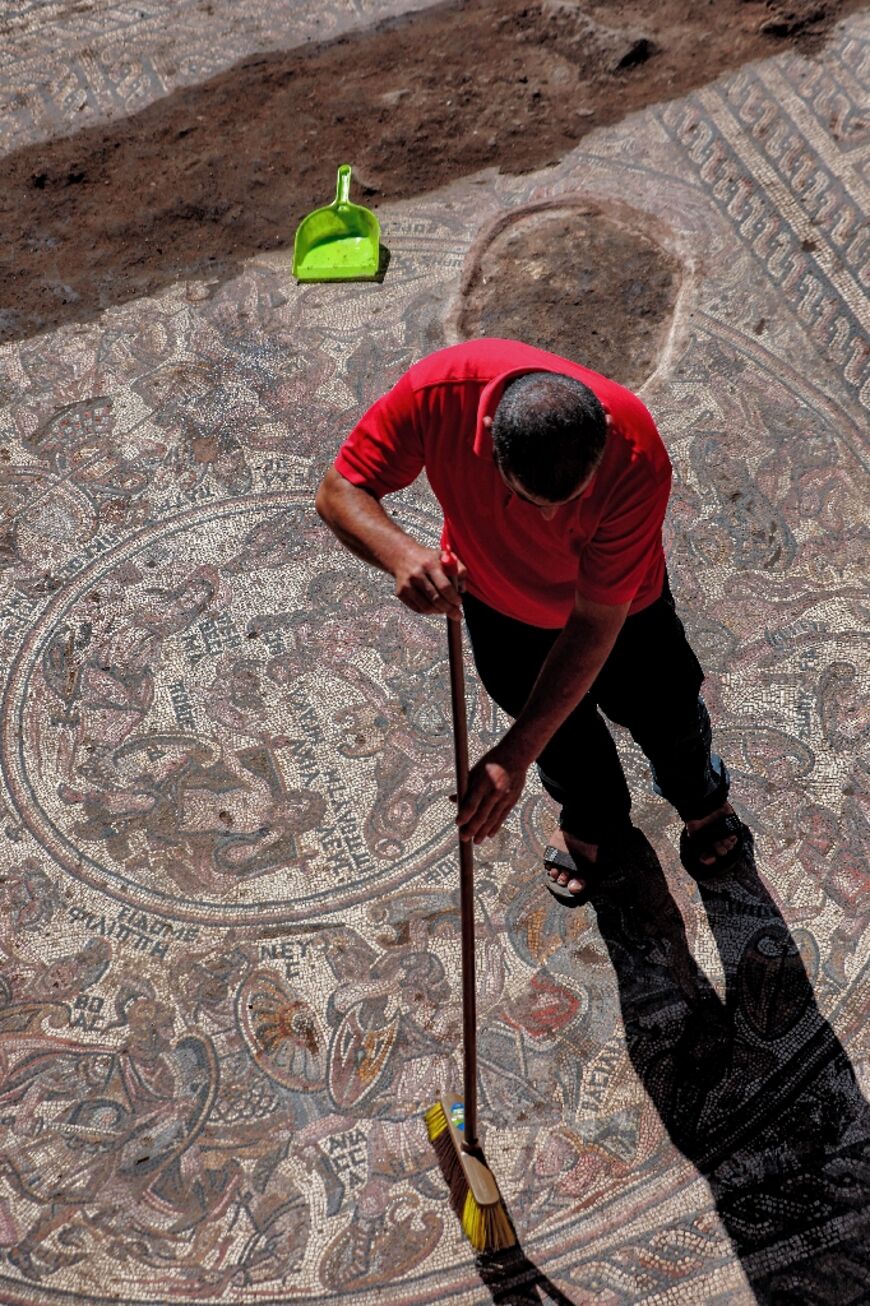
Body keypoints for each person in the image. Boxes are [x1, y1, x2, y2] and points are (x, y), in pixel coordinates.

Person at [315, 337, 749, 900]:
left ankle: (701, 797)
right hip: (500, 607)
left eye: (573, 497)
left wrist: (510, 757)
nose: (553, 519)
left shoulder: (635, 452)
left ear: (601, 439)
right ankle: (592, 815)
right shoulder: (438, 393)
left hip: (627, 612)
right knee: (559, 737)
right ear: (491, 438)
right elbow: (339, 489)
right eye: (530, 497)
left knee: (666, 714)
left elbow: (595, 623)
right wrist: (400, 553)